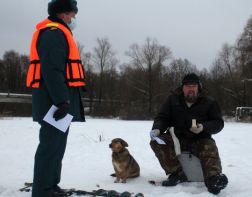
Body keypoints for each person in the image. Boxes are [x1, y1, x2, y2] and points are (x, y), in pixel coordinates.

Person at [26, 0, 86, 196]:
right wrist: (62, 100)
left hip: (59, 102)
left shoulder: (59, 32)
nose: (74, 18)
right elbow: (52, 70)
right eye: (72, 14)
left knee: (57, 147)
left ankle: (50, 186)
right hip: (54, 102)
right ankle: (43, 190)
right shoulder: (53, 34)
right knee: (50, 146)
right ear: (62, 14)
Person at [149, 73, 228, 195]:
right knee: (157, 141)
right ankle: (176, 174)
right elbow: (162, 117)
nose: (191, 89)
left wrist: (203, 127)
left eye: (193, 86)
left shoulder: (209, 101)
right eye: (187, 86)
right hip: (177, 138)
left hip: (200, 139)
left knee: (209, 147)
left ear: (198, 87)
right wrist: (157, 129)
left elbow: (218, 123)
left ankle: (213, 179)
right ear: (182, 88)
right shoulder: (172, 99)